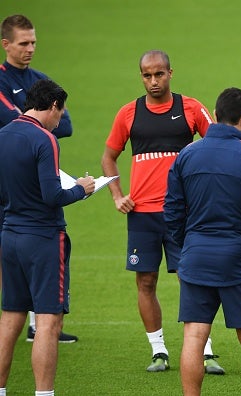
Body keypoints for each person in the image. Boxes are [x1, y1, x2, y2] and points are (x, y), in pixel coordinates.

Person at [101, 50, 224, 374]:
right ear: (141, 76)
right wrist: (117, 195)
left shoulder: (191, 108)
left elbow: (217, 148)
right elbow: (108, 157)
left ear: (171, 72)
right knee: (146, 281)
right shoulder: (129, 113)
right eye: (147, 75)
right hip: (142, 214)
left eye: (159, 74)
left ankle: (205, 351)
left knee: (193, 279)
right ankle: (159, 351)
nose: (153, 81)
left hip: (184, 213)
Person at [164, 87, 241, 396]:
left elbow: (172, 211)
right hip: (237, 258)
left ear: (214, 115)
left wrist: (187, 244)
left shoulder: (187, 155)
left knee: (194, 337)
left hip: (195, 255)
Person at [0, 79, 95, 396]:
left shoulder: (4, 134)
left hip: (10, 235)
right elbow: (53, 195)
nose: (60, 119)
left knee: (10, 319)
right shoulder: (45, 140)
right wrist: (82, 189)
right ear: (53, 106)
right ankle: (44, 394)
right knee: (48, 322)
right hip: (42, 239)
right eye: (61, 111)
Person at [0, 14, 78, 344]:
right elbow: (16, 121)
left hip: (29, 173)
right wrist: (34, 119)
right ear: (6, 44)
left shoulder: (39, 79)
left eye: (33, 42)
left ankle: (34, 324)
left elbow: (67, 125)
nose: (30, 48)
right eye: (23, 43)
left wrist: (31, 117)